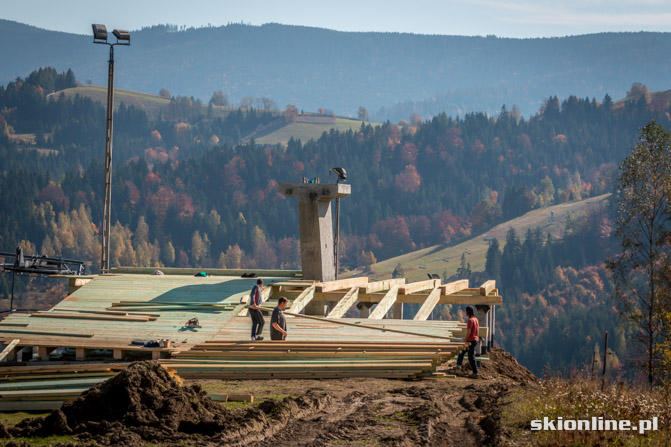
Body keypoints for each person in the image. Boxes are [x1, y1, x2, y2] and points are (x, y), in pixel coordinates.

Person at [456, 306, 479, 379]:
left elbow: (469, 331)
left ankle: (475, 373)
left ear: (468, 312)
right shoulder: (475, 319)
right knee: (462, 352)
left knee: (471, 356)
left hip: (470, 340)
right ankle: (458, 366)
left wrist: (465, 339)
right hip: (475, 339)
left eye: (466, 311)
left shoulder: (470, 320)